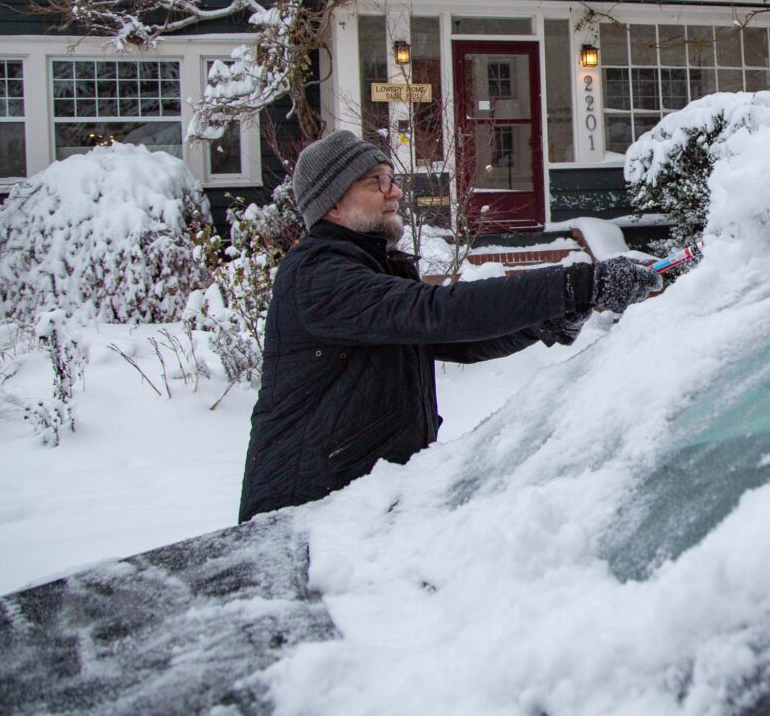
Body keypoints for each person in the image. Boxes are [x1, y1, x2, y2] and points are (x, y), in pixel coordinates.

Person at [238, 130, 660, 522]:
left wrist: (547, 321)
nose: (396, 191)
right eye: (377, 182)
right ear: (332, 203)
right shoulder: (318, 276)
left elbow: (453, 339)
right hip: (299, 513)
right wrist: (579, 284)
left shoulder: (372, 267)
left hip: (361, 502)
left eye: (392, 178)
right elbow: (437, 312)